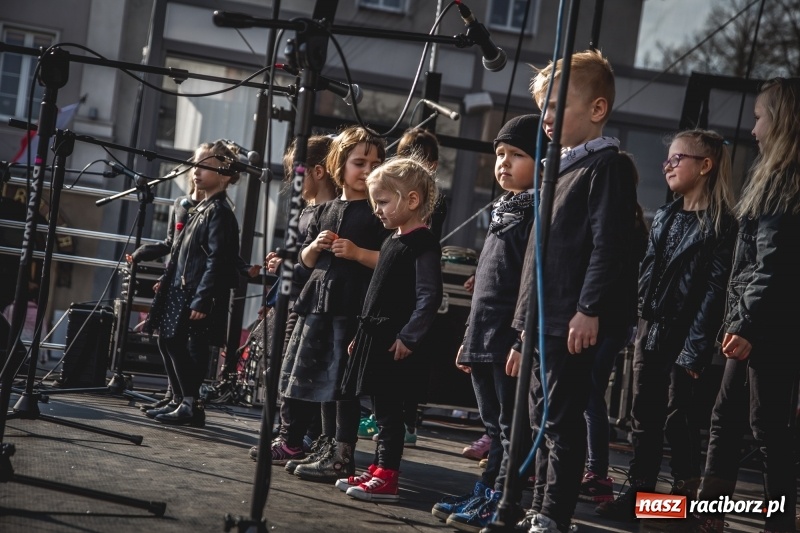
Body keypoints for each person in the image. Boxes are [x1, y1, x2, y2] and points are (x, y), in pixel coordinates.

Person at [511, 49, 639, 533]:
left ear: (597, 110)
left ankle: (553, 514)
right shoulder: (558, 168)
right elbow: (539, 255)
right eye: (542, 106)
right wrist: (523, 325)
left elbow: (610, 245)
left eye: (556, 105)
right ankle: (539, 504)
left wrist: (588, 309)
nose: (544, 118)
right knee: (540, 417)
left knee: (561, 422)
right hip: (543, 317)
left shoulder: (606, 167)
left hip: (570, 318)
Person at [594, 129, 736, 522]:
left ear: (705, 165)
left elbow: (714, 293)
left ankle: (684, 505)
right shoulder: (668, 214)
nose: (668, 165)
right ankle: (641, 497)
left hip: (684, 336)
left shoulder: (721, 225)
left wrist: (694, 348)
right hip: (650, 331)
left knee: (680, 421)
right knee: (645, 416)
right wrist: (640, 319)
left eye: (678, 158)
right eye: (667, 159)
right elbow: (648, 273)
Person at [688, 77, 800, 533]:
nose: (752, 129)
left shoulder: (784, 182)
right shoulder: (773, 175)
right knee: (734, 416)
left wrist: (746, 323)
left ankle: (776, 520)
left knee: (763, 424)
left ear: (781, 120)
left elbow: (773, 264)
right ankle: (713, 514)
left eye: (758, 118)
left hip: (767, 327)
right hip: (758, 322)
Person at [429, 114, 539, 531]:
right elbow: (486, 287)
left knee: (511, 427)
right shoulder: (503, 208)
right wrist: (467, 337)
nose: (504, 163)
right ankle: (486, 490)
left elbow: (527, 284)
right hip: (483, 332)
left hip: (507, 337)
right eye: (499, 154)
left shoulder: (536, 213)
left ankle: (501, 498)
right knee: (493, 425)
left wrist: (518, 338)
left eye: (517, 154)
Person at [275, 126, 390, 482]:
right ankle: (326, 445)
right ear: (340, 166)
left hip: (350, 307)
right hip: (320, 305)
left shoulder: (377, 213)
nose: (368, 170)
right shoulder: (325, 210)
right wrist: (314, 247)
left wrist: (357, 254)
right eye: (360, 162)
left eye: (376, 163)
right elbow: (305, 260)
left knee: (342, 384)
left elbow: (391, 259)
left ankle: (342, 452)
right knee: (324, 380)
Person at [335, 155, 442, 501]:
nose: (376, 210)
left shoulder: (422, 243)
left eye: (382, 201)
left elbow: (429, 296)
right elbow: (377, 293)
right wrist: (360, 336)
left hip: (395, 340)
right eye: (374, 202)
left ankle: (389, 475)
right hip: (376, 336)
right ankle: (380, 469)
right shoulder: (391, 240)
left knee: (391, 413)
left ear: (412, 200)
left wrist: (409, 336)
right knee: (382, 411)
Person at [244, 134, 338, 462]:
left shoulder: (327, 213)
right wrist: (285, 258)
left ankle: (296, 437)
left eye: (296, 174)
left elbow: (315, 264)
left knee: (297, 372)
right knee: (288, 368)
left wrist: (290, 261)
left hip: (309, 300)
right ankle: (292, 434)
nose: (292, 182)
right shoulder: (309, 212)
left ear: (318, 171)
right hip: (298, 298)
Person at [142, 140, 245, 427]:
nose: (196, 171)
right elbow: (180, 251)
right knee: (167, 340)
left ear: (224, 174)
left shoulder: (219, 212)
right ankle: (180, 399)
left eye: (204, 166)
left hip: (196, 290)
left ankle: (189, 402)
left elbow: (216, 259)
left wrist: (202, 298)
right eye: (195, 165)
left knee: (177, 342)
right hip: (184, 286)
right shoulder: (201, 209)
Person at [578, 169, 648, 504]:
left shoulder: (621, 224)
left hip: (610, 321)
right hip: (611, 321)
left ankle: (598, 473)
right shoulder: (630, 222)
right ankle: (593, 470)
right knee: (587, 395)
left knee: (590, 395)